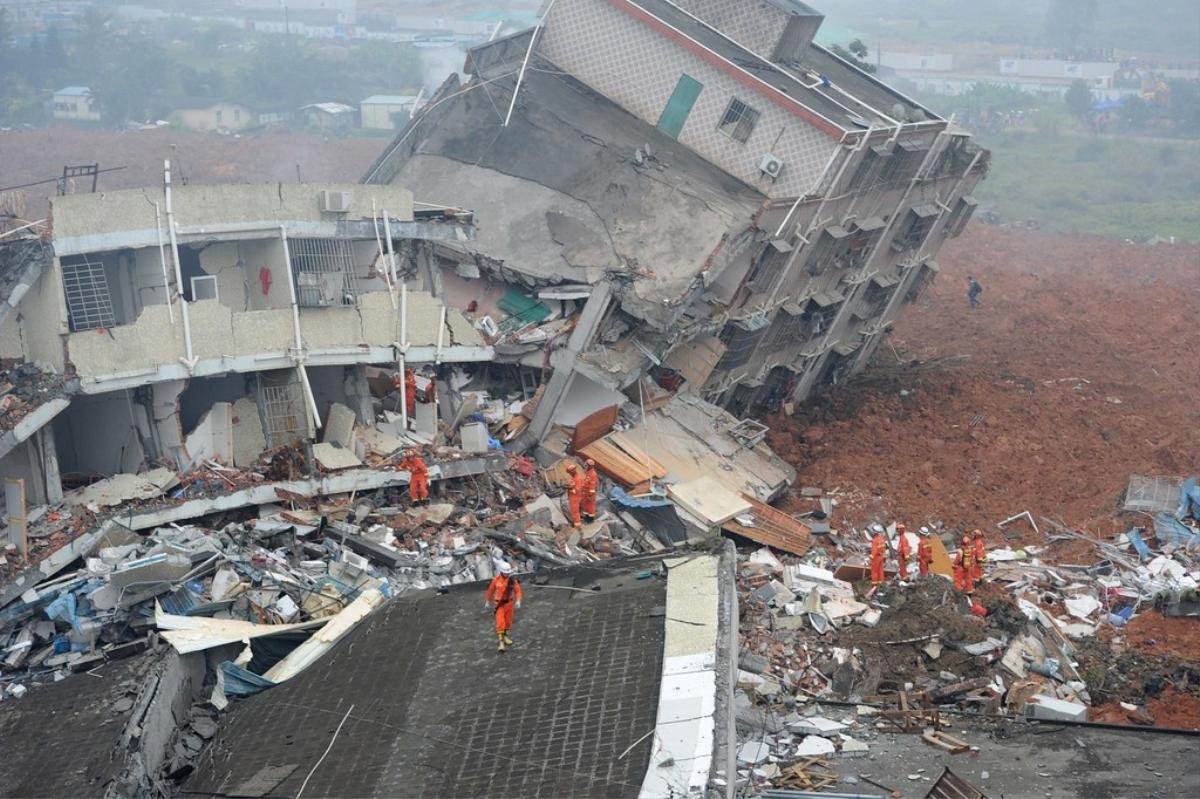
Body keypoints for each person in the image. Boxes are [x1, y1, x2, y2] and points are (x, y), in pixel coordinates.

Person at [484, 562, 523, 652]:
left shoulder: (512, 580)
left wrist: (518, 600)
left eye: (509, 572)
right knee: (500, 623)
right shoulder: (496, 580)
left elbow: (518, 591)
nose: (508, 574)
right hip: (499, 605)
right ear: (501, 572)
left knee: (508, 622)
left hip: (509, 604)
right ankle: (501, 642)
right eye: (506, 572)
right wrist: (487, 601)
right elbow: (490, 590)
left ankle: (506, 637)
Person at [565, 462, 584, 529]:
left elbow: (577, 490)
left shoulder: (578, 479)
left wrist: (569, 488)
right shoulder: (574, 478)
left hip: (575, 498)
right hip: (573, 497)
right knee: (575, 513)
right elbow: (573, 486)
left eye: (570, 472)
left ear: (573, 471)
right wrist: (569, 486)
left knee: (575, 513)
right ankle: (577, 525)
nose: (569, 474)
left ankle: (577, 527)